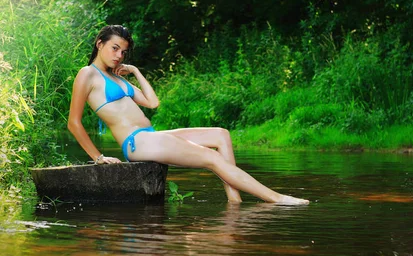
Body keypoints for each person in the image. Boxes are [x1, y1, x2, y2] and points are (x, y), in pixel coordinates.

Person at [68, 25, 309, 205]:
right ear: (100, 44)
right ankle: (276, 198)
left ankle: (234, 201)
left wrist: (136, 71)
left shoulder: (118, 78)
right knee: (210, 158)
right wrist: (99, 157)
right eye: (114, 48)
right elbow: (74, 123)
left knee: (221, 135)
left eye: (123, 52)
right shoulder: (87, 74)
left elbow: (152, 102)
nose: (119, 56)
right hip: (136, 142)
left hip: (150, 135)